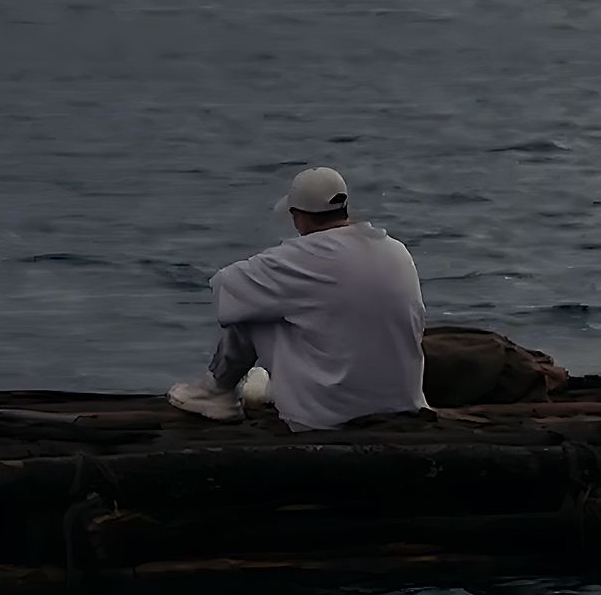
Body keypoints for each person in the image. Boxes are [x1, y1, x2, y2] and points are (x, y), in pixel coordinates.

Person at [167, 167, 427, 432]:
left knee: (250, 302)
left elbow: (224, 289)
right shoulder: (396, 249)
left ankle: (216, 393)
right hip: (404, 402)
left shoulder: (300, 257)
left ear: (298, 217)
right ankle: (269, 387)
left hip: (327, 416)